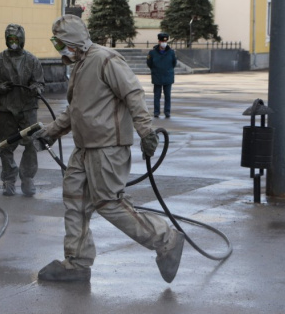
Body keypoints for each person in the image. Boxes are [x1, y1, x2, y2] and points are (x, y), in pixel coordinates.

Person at [33, 15, 184, 283]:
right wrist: (51, 132)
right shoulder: (80, 65)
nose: (59, 49)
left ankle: (166, 239)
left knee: (108, 203)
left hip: (107, 147)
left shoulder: (105, 59)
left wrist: (146, 131)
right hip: (84, 148)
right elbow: (76, 110)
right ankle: (77, 263)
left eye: (60, 43)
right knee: (75, 200)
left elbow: (133, 93)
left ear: (73, 41)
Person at [0, 23, 45, 197]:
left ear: (22, 40)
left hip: (27, 109)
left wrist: (36, 88)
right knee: (6, 146)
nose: (13, 42)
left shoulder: (32, 60)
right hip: (6, 109)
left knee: (31, 144)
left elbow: (39, 82)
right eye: (10, 39)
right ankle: (8, 179)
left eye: (16, 39)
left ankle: (28, 178)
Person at [146, 33, 177, 118]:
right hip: (157, 76)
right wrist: (155, 70)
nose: (164, 43)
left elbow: (174, 63)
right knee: (157, 96)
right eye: (162, 41)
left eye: (166, 41)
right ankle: (156, 112)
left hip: (168, 77)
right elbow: (149, 63)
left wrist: (168, 70)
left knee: (167, 96)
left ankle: (167, 112)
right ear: (159, 41)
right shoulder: (152, 53)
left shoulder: (171, 52)